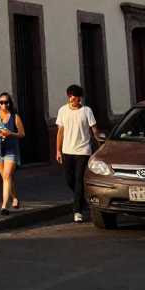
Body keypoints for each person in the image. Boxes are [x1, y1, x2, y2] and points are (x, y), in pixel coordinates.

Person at [56, 83, 102, 222]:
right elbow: (60, 132)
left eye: (74, 97)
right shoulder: (63, 111)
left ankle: (77, 211)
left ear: (79, 98)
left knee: (78, 179)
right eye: (70, 96)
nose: (72, 99)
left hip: (83, 150)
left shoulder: (87, 111)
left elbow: (94, 130)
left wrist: (100, 145)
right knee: (69, 179)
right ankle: (81, 197)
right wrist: (57, 150)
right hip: (67, 150)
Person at [0, 92, 25, 215]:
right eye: (1, 102)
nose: (4, 104)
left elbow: (22, 134)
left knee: (7, 177)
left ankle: (4, 206)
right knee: (5, 178)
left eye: (6, 102)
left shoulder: (15, 117)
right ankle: (15, 198)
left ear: (10, 103)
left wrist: (10, 134)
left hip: (11, 150)